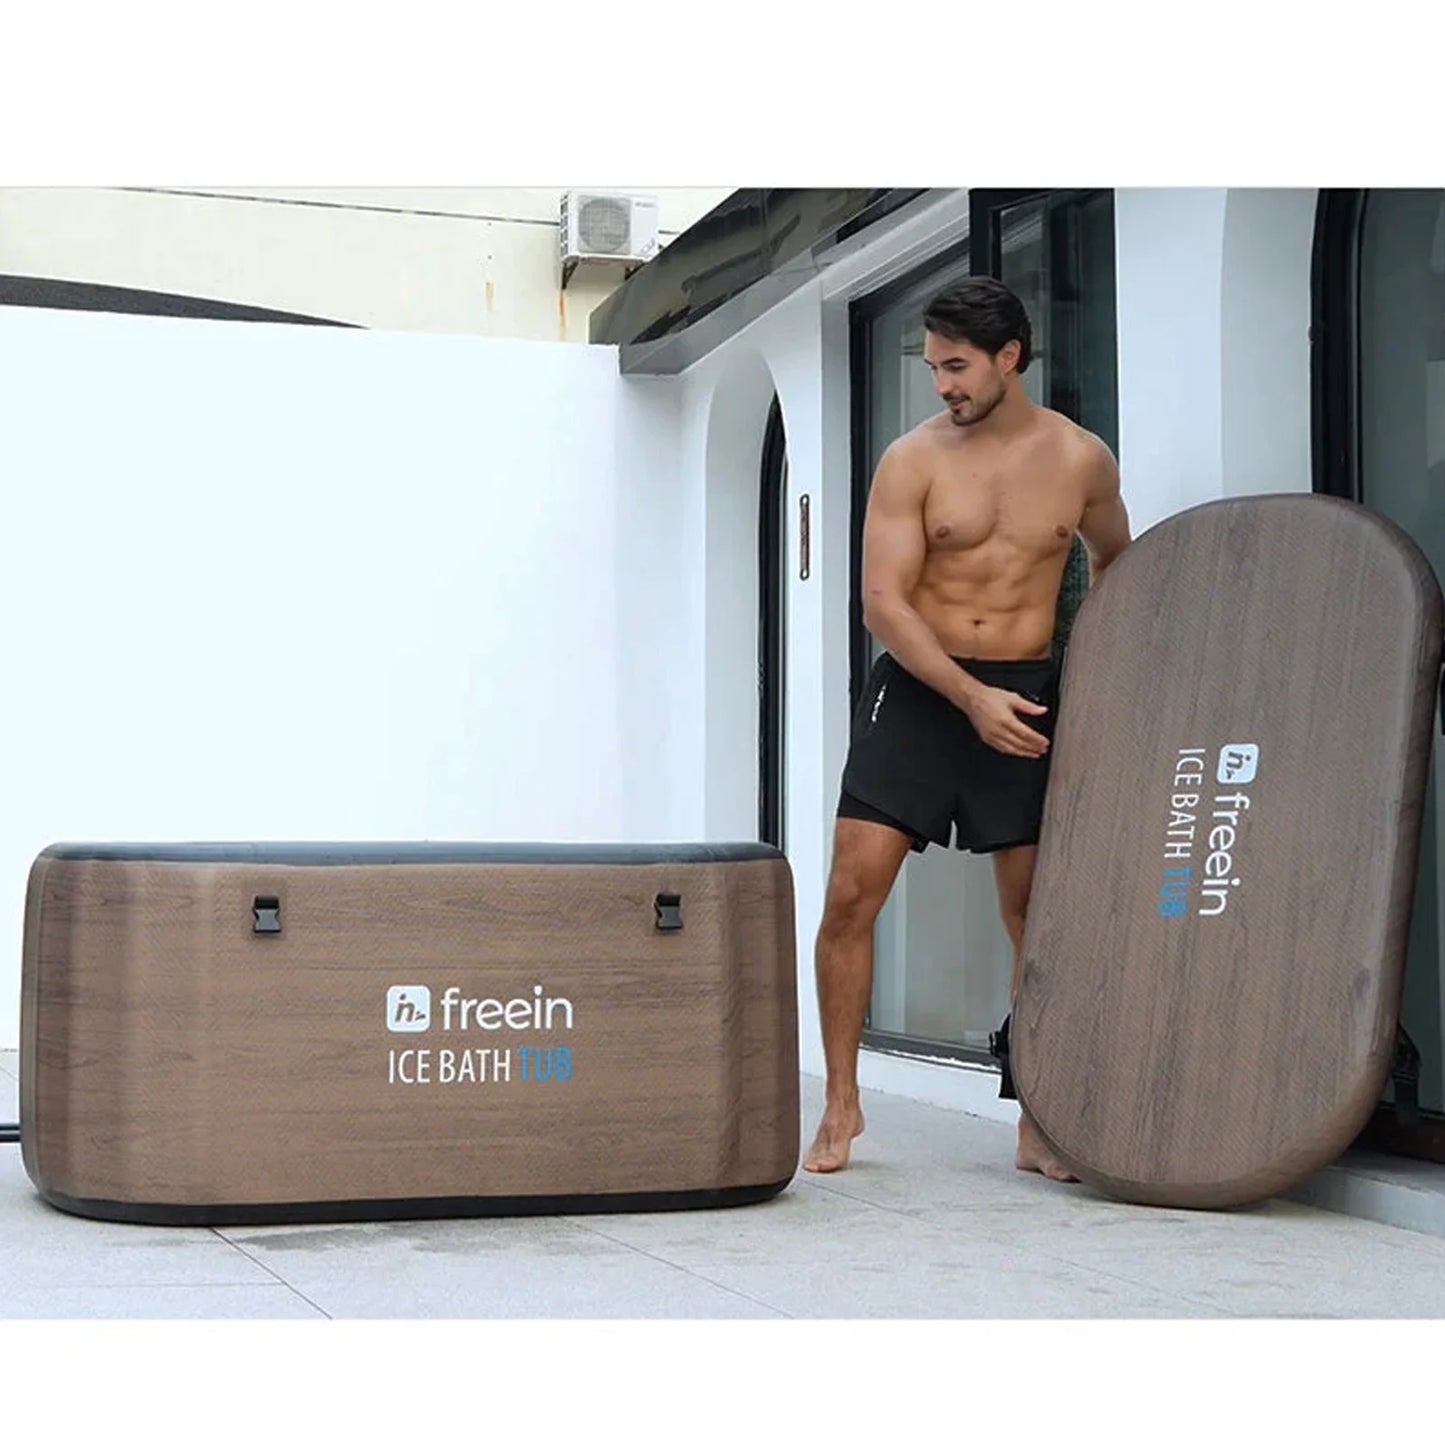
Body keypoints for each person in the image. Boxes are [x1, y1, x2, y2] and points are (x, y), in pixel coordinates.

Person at [804, 275, 1132, 1181]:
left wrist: (1082, 679)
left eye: (955, 366)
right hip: (921, 690)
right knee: (849, 896)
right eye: (932, 367)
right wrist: (967, 696)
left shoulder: (1080, 460)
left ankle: (1036, 1115)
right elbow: (882, 602)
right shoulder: (911, 460)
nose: (941, 383)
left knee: (1033, 915)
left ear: (1008, 357)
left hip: (1024, 697)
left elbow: (1117, 561)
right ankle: (841, 1100)